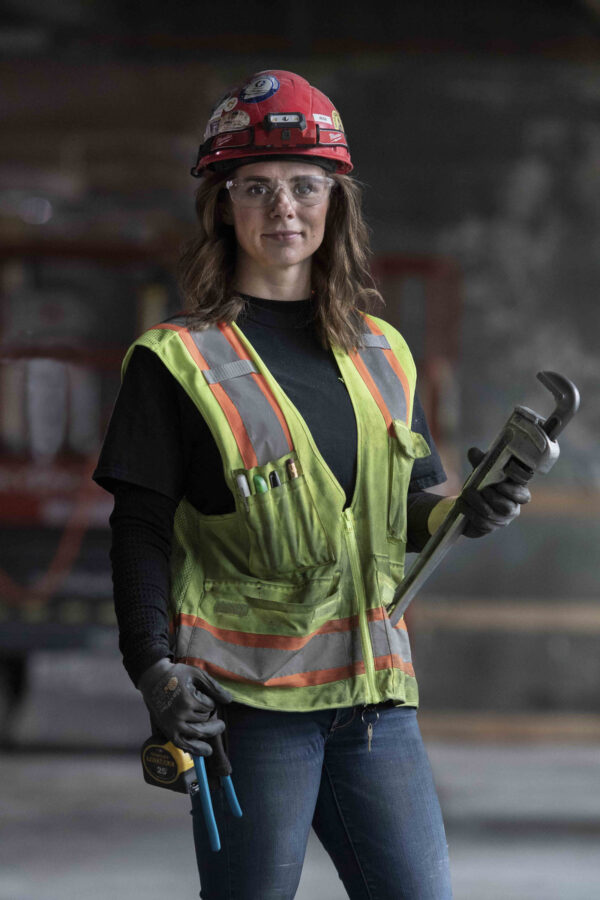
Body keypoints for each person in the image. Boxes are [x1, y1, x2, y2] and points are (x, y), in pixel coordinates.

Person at [94, 70, 530, 900]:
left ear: (336, 202)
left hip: (376, 702)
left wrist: (465, 510)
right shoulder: (176, 362)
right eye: (256, 187)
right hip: (249, 710)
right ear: (223, 207)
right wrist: (152, 667)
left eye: (305, 184)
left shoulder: (383, 352)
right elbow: (140, 531)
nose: (284, 207)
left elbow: (402, 508)